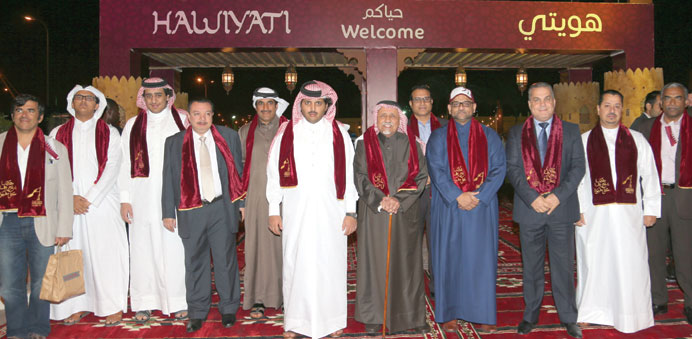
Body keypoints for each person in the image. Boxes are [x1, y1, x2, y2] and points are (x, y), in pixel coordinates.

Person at [266, 80, 358, 339]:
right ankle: (295, 322)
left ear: (327, 105)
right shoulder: (286, 133)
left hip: (334, 212)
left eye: (319, 103)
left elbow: (350, 176)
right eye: (307, 103)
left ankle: (332, 321)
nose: (313, 108)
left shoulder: (340, 133)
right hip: (296, 213)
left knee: (331, 265)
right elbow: (273, 174)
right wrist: (274, 209)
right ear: (300, 105)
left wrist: (351, 212)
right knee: (296, 264)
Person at [575, 90, 660, 333]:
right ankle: (592, 311)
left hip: (629, 215)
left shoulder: (636, 139)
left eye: (617, 106)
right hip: (593, 215)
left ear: (622, 109)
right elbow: (577, 180)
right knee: (593, 262)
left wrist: (651, 209)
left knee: (629, 263)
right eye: (607, 105)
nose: (612, 111)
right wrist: (578, 210)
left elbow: (650, 175)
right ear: (598, 109)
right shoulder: (584, 140)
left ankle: (631, 314)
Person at [506, 82, 585, 338]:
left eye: (547, 99)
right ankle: (530, 315)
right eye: (536, 100)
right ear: (529, 104)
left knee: (563, 266)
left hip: (560, 210)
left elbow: (577, 168)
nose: (542, 104)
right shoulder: (517, 133)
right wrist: (532, 198)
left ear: (554, 101)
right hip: (530, 210)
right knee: (532, 266)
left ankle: (569, 318)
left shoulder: (571, 131)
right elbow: (513, 171)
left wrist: (556, 197)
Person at [427, 87, 506, 333]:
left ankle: (482, 313)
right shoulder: (438, 138)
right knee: (448, 258)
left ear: (474, 108)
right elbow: (437, 170)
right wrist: (457, 196)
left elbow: (499, 169)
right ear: (449, 109)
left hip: (481, 208)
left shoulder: (490, 136)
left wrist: (478, 197)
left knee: (480, 259)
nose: (461, 107)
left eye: (466, 103)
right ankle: (448, 312)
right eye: (456, 103)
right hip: (449, 206)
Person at [161, 98, 244, 332]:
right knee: (195, 262)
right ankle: (197, 311)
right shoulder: (174, 142)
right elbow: (168, 177)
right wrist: (168, 211)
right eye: (197, 114)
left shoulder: (228, 137)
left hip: (221, 207)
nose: (202, 119)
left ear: (213, 116)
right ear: (189, 116)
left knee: (225, 261)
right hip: (191, 210)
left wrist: (242, 203)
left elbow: (238, 171)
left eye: (207, 114)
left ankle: (228, 308)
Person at [49, 85, 128, 326]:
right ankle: (76, 305)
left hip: (102, 205)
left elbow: (113, 168)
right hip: (68, 206)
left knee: (106, 255)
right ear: (71, 103)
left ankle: (111, 305)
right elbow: (50, 169)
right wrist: (70, 198)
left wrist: (89, 198)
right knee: (73, 256)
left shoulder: (110, 133)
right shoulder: (56, 133)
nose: (83, 101)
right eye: (78, 97)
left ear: (98, 105)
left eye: (89, 98)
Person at [0, 94, 73, 339]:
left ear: (40, 117)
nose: (24, 115)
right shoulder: (0, 144)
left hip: (43, 221)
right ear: (13, 115)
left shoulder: (54, 148)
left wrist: (64, 227)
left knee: (42, 281)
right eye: (19, 110)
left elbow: (65, 190)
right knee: (10, 285)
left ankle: (38, 328)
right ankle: (17, 331)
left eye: (31, 111)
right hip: (6, 222)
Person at [353, 100, 428, 334]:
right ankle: (375, 316)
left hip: (405, 213)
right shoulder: (364, 145)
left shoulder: (413, 145)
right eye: (383, 115)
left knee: (406, 266)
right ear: (376, 119)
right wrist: (380, 200)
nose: (387, 120)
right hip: (374, 213)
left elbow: (421, 178)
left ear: (400, 120)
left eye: (392, 116)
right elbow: (360, 176)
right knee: (373, 264)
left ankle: (410, 317)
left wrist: (398, 201)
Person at [118, 77, 188, 323]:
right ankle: (144, 301)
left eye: (159, 95)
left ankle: (179, 300)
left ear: (168, 97)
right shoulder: (132, 125)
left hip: (176, 195)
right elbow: (125, 163)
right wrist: (125, 199)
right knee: (142, 247)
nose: (154, 100)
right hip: (142, 195)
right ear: (143, 99)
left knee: (175, 248)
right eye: (149, 96)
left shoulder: (182, 121)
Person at [638, 82, 692, 325]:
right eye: (667, 98)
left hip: (685, 197)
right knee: (653, 252)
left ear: (687, 101)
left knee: (686, 255)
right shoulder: (644, 128)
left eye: (677, 98)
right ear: (660, 102)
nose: (672, 103)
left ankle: (690, 303)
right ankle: (657, 299)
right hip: (653, 198)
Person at [238, 87, 289, 319]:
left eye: (270, 103)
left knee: (286, 249)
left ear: (277, 106)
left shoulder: (290, 130)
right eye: (261, 103)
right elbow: (238, 169)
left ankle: (288, 296)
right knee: (257, 249)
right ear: (255, 106)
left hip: (288, 200)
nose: (266, 107)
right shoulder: (245, 132)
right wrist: (241, 203)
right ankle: (258, 298)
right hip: (257, 198)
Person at [406, 84, 447, 298]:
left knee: (438, 242)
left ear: (432, 102)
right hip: (411, 194)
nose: (422, 103)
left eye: (426, 99)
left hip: (440, 194)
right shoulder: (402, 128)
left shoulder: (446, 126)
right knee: (410, 243)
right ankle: (411, 290)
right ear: (411, 104)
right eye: (417, 99)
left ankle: (437, 287)